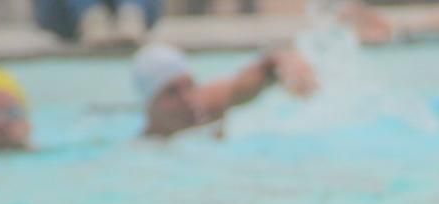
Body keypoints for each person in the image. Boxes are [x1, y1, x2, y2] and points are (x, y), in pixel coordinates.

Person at [132, 42, 318, 139]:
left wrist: (289, 64)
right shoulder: (145, 149)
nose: (187, 98)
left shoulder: (209, 104)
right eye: (172, 92)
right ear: (150, 104)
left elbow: (265, 67)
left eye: (189, 85)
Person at [34, 0, 158, 47]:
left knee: (132, 15)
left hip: (131, 13)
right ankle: (92, 19)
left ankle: (130, 14)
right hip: (64, 15)